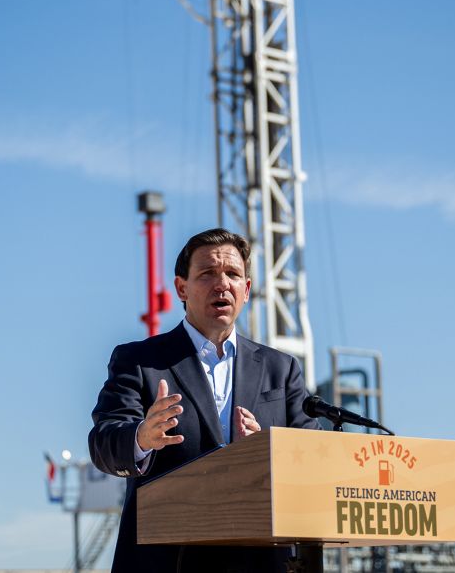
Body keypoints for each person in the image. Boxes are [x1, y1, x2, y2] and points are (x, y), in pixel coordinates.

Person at [88, 228, 318, 572]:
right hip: (170, 558)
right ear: (181, 287)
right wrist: (141, 438)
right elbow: (103, 444)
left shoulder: (280, 369)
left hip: (260, 560)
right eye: (207, 273)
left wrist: (268, 452)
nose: (221, 283)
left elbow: (313, 456)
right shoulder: (140, 361)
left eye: (233, 275)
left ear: (247, 290)